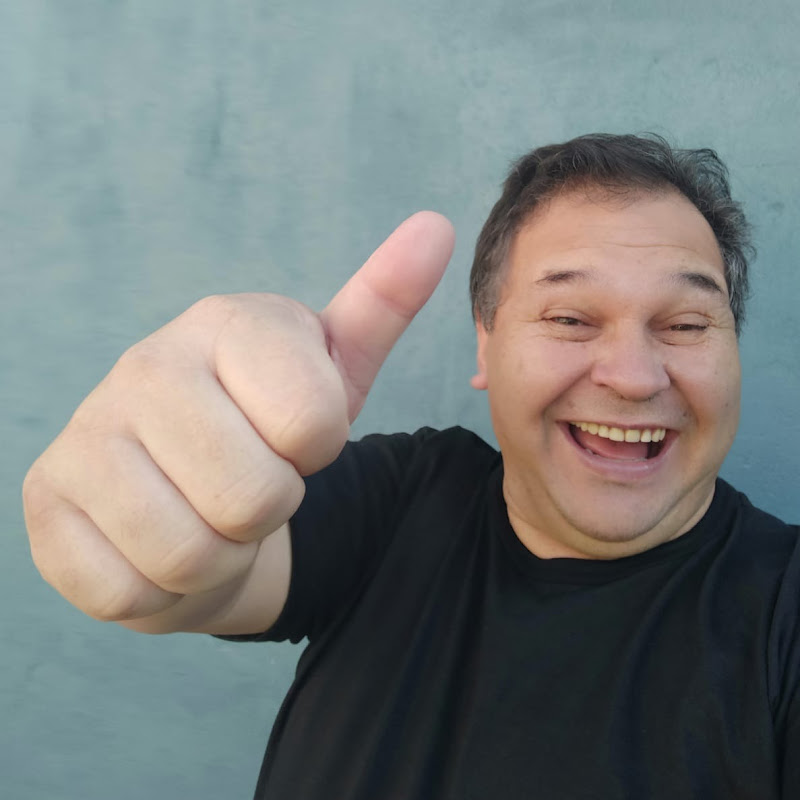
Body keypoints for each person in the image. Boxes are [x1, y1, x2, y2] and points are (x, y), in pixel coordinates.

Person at [23, 133, 799, 799]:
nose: (633, 376)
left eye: (686, 324)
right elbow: (207, 572)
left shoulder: (783, 613)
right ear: (486, 342)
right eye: (570, 317)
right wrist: (142, 525)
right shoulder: (401, 501)